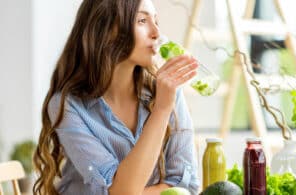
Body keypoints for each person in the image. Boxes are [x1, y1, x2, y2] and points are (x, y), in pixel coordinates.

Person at [32, 0, 200, 194]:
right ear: (108, 28)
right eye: (142, 21)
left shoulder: (166, 91)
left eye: (156, 21)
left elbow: (186, 185)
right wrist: (161, 110)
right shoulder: (68, 105)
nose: (156, 33)